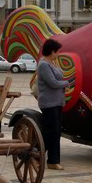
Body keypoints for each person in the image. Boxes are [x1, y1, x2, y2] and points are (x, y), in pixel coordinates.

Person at [37, 38, 69, 170]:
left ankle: (53, 160)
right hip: (49, 103)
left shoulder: (53, 63)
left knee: (56, 132)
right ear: (51, 51)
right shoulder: (44, 64)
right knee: (51, 131)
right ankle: (36, 152)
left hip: (57, 102)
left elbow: (60, 76)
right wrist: (66, 83)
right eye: (57, 52)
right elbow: (53, 83)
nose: (58, 54)